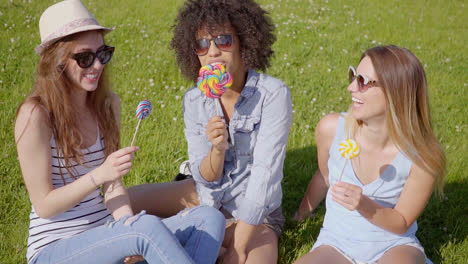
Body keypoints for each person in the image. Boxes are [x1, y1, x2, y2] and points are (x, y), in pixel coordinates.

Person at [15, 1, 225, 263]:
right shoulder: (35, 115)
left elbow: (112, 187)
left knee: (209, 218)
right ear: (56, 62)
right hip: (54, 250)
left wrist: (128, 225)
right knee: (147, 229)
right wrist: (99, 175)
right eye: (84, 58)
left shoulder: (107, 105)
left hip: (105, 233)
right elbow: (45, 205)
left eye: (102, 54)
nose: (97, 66)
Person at [128, 0, 292, 263]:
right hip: (204, 198)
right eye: (202, 44)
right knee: (125, 202)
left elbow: (264, 179)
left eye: (223, 40)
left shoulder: (272, 95)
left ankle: (206, 240)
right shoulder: (194, 99)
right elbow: (205, 177)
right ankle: (177, 235)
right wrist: (216, 149)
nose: (212, 51)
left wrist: (238, 248)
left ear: (244, 42)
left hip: (254, 215)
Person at [293, 45, 446, 264]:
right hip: (337, 242)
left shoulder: (422, 157)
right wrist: (301, 214)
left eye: (363, 81)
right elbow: (324, 175)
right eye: (353, 76)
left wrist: (363, 204)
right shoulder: (332, 129)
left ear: (396, 91)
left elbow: (402, 221)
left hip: (393, 244)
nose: (351, 87)